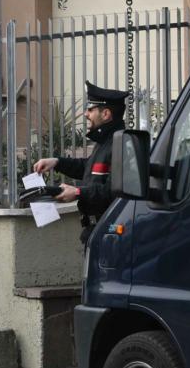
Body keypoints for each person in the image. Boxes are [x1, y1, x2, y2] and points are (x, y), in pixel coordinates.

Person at [33, 80, 129, 245]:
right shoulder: (106, 141)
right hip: (97, 231)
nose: (86, 114)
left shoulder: (121, 144)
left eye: (90, 109)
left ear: (105, 114)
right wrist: (56, 162)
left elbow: (113, 191)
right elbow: (88, 168)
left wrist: (78, 192)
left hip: (111, 233)